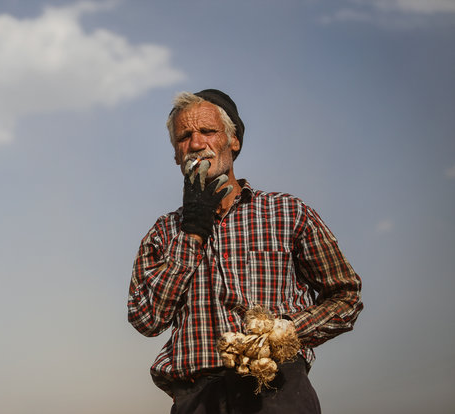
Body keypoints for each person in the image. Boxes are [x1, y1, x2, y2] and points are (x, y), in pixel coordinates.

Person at [127, 89, 363, 413]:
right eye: (184, 136)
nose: (196, 144)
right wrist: (192, 233)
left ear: (233, 140)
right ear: (175, 154)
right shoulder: (163, 233)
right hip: (197, 398)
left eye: (208, 131)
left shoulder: (286, 213)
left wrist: (285, 332)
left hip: (276, 389)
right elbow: (145, 318)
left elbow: (346, 295)